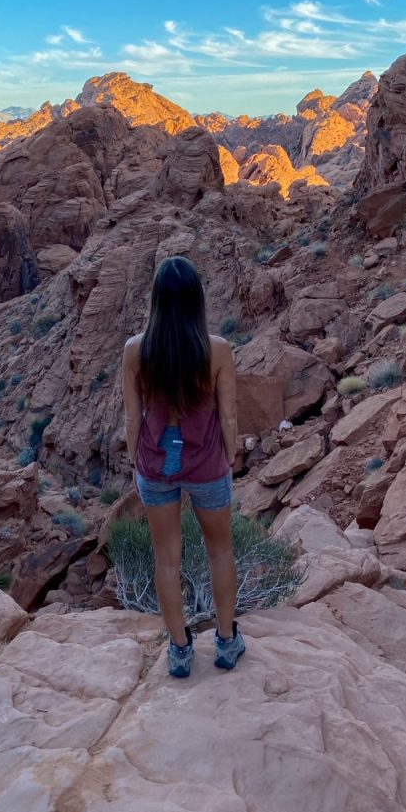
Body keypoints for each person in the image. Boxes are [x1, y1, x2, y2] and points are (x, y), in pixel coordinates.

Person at [121, 255, 245, 677]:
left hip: (157, 466)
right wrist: (230, 457)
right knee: (221, 551)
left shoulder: (136, 351)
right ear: (196, 299)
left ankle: (179, 650)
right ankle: (227, 643)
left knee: (166, 559)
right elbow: (228, 417)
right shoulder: (218, 351)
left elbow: (132, 417)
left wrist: (134, 459)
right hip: (207, 462)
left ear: (156, 299)